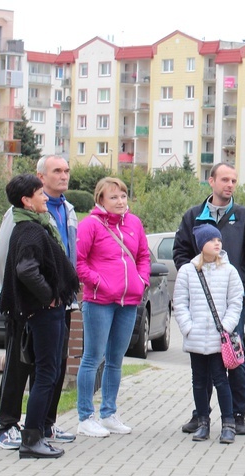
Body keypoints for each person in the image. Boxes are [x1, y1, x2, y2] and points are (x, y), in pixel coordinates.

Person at [173, 162, 245, 436]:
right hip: (200, 307)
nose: (230, 185)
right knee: (202, 362)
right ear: (211, 181)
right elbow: (180, 253)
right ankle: (201, 415)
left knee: (233, 358)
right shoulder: (193, 217)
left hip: (231, 307)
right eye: (224, 179)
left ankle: (237, 415)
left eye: (234, 180)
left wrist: (233, 283)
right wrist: (194, 280)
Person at [0, 155, 78, 450]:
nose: (64, 175)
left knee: (51, 368)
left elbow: (67, 254)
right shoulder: (22, 220)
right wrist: (43, 295)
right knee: (25, 366)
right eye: (57, 170)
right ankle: (11, 426)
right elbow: (12, 260)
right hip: (31, 306)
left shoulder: (64, 211)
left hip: (56, 304)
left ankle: (44, 425)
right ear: (40, 178)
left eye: (67, 170)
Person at [76, 177, 151, 438]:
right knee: (93, 358)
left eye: (123, 196)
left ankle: (108, 413)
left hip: (128, 301)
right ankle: (85, 416)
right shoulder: (90, 226)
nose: (120, 201)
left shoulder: (134, 223)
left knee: (116, 360)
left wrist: (141, 281)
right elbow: (79, 262)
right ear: (100, 200)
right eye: (113, 197)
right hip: (99, 302)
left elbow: (143, 255)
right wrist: (99, 283)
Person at [173, 224, 244, 444]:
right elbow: (180, 302)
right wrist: (188, 328)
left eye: (219, 240)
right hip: (196, 338)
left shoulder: (229, 270)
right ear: (201, 244)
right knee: (198, 381)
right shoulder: (188, 270)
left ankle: (228, 423)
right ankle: (203, 422)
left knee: (221, 380)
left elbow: (235, 301)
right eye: (211, 240)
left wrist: (226, 326)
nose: (217, 243)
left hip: (218, 338)